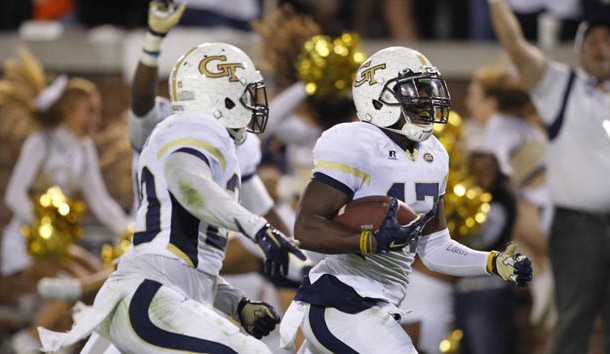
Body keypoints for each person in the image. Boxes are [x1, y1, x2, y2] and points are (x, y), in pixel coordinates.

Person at [38, 41, 306, 354]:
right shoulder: (200, 127)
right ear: (223, 97)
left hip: (146, 295)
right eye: (246, 93)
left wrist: (238, 304)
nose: (253, 103)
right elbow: (190, 185)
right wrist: (257, 228)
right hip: (152, 301)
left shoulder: (204, 138)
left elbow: (188, 266)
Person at [278, 46, 533, 354]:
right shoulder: (355, 142)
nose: (426, 99)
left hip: (378, 305)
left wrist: (491, 262)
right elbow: (305, 228)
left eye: (428, 90)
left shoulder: (433, 153)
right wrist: (368, 240)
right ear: (377, 97)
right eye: (415, 90)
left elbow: (435, 248)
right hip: (341, 302)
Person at [488, 1, 610, 353]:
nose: (602, 48)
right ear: (580, 47)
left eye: (609, 39)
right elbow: (515, 44)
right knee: (573, 318)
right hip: (578, 226)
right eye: (594, 39)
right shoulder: (561, 85)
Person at [453, 151, 518, 354]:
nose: (478, 178)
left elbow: (481, 241)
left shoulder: (497, 205)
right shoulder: (463, 203)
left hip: (488, 290)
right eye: (472, 172)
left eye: (484, 172)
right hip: (464, 288)